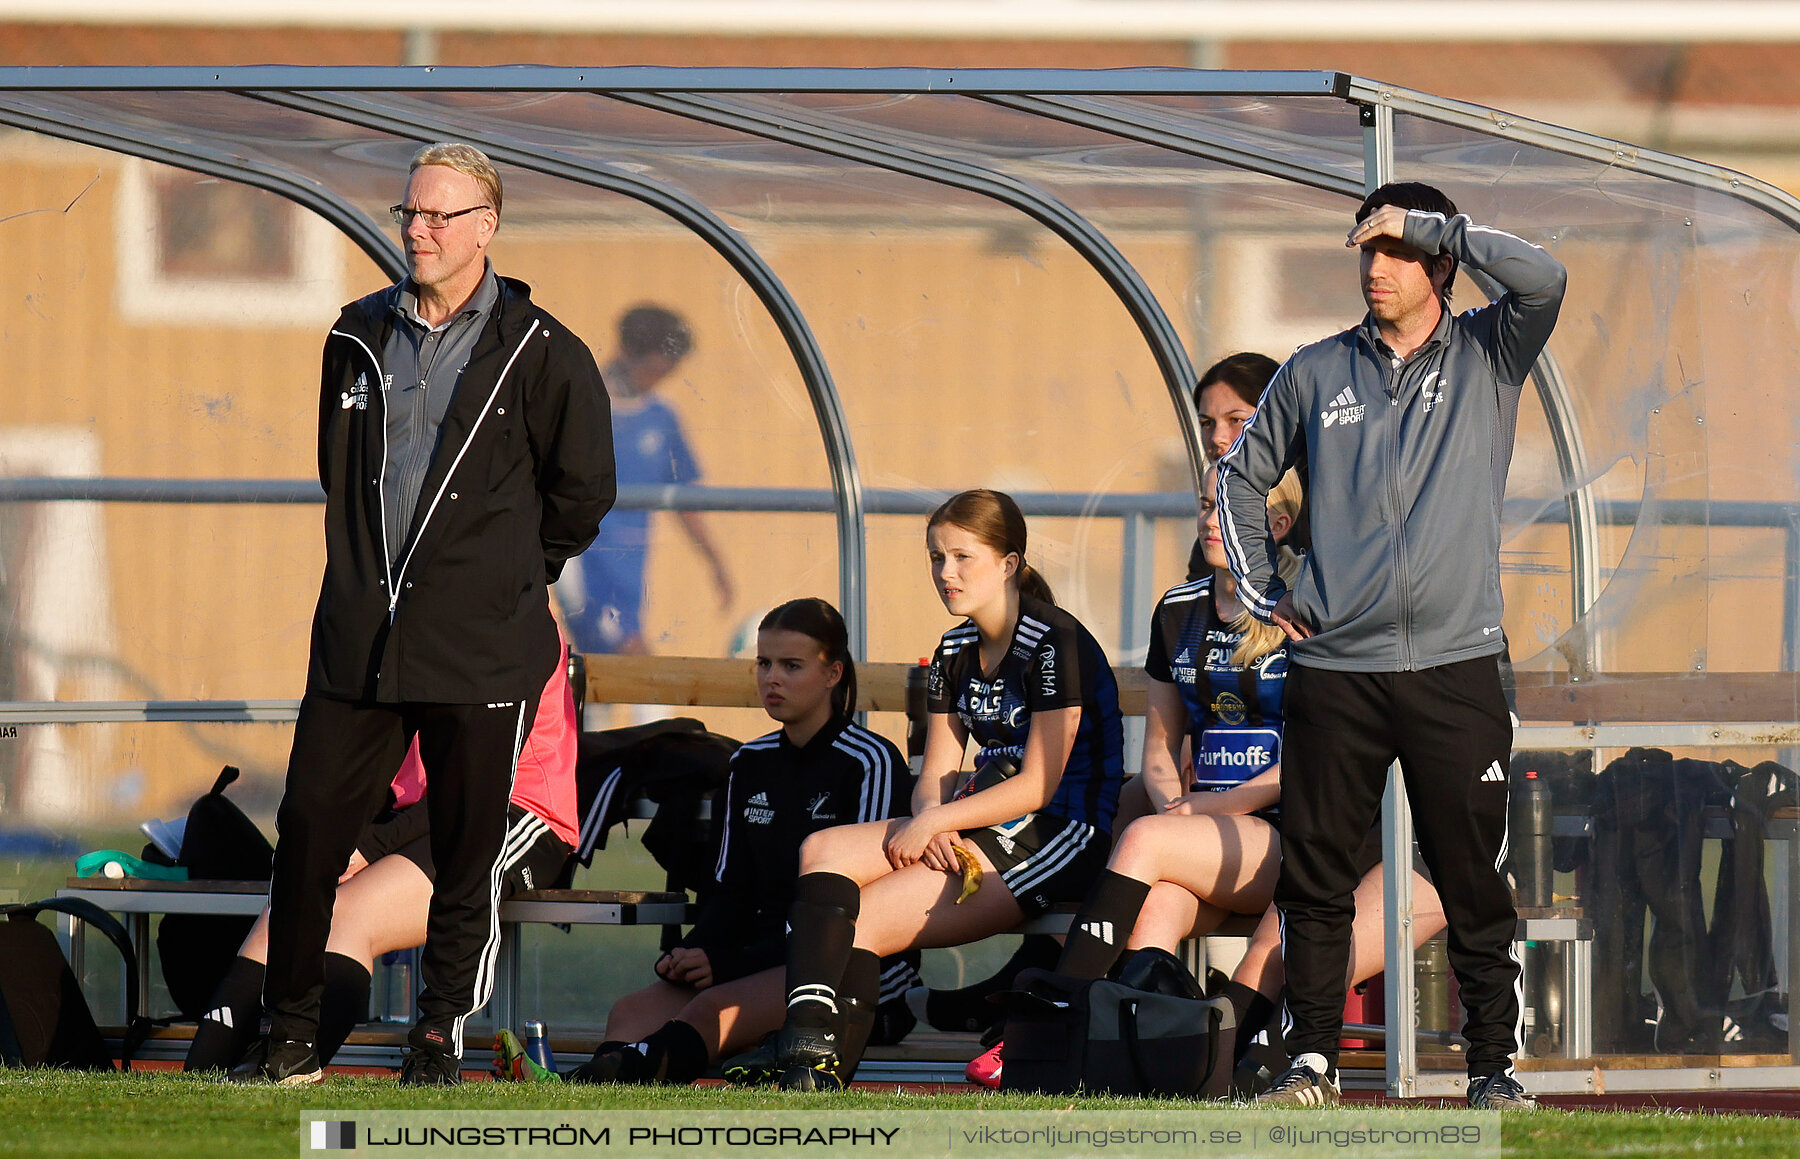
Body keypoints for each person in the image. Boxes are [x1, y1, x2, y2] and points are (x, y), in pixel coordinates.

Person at [229, 142, 614, 1086]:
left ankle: (437, 1037)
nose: (418, 230)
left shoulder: (546, 352)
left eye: (440, 216)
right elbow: (340, 471)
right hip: (358, 643)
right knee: (312, 831)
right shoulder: (356, 333)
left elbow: (583, 492)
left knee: (465, 847)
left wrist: (506, 580)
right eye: (410, 212)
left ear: (486, 228)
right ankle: (288, 1039)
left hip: (483, 649)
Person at [1218, 181, 1566, 1110]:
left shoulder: (1493, 350)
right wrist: (1268, 592)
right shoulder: (1316, 369)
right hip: (1337, 669)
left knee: (1471, 881)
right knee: (1318, 876)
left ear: (1439, 265)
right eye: (1365, 250)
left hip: (1458, 666)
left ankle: (1492, 1071)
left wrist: (1433, 226)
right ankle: (1312, 1063)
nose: (1374, 268)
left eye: (1395, 251)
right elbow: (1239, 478)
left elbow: (1546, 278)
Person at [964, 467, 1446, 1089]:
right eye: (1205, 505)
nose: (1211, 519)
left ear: (1275, 524)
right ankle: (1145, 1058)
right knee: (1157, 899)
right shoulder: (1177, 609)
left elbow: (1316, 758)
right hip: (1207, 828)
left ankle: (1056, 1023)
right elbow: (1160, 741)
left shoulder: (1315, 610)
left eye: (1228, 507)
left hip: (1295, 830)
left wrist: (1203, 811)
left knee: (1146, 842)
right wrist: (1174, 803)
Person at [740, 489, 1124, 1090]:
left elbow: (1039, 785)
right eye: (936, 558)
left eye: (963, 557)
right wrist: (934, 816)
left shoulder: (1056, 643)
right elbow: (937, 774)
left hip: (1060, 834)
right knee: (822, 851)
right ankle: (805, 1043)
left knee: (865, 921)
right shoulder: (952, 650)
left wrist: (940, 822)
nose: (946, 573)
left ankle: (817, 1067)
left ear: (1009, 563)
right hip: (980, 821)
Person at [495, 598, 910, 1085]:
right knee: (631, 1012)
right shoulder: (750, 763)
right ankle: (597, 1094)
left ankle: (576, 1083)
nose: (771, 678)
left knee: (710, 1008)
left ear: (833, 674)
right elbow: (728, 888)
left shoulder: (869, 761)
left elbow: (869, 910)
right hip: (754, 960)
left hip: (839, 970)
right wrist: (697, 952)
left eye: (791, 666)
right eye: (763, 663)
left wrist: (728, 962)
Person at [185, 647, 579, 1073]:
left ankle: (288, 1068)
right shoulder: (407, 616)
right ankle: (203, 1077)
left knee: (350, 916)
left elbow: (474, 784)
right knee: (290, 906)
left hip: (515, 812)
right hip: (417, 814)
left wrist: (369, 848)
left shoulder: (511, 627)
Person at [555, 304, 732, 656]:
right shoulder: (580, 405)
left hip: (631, 576)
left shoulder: (661, 416)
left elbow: (684, 500)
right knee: (636, 663)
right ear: (628, 351)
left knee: (603, 687)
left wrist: (715, 562)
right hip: (584, 565)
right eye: (657, 365)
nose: (665, 374)